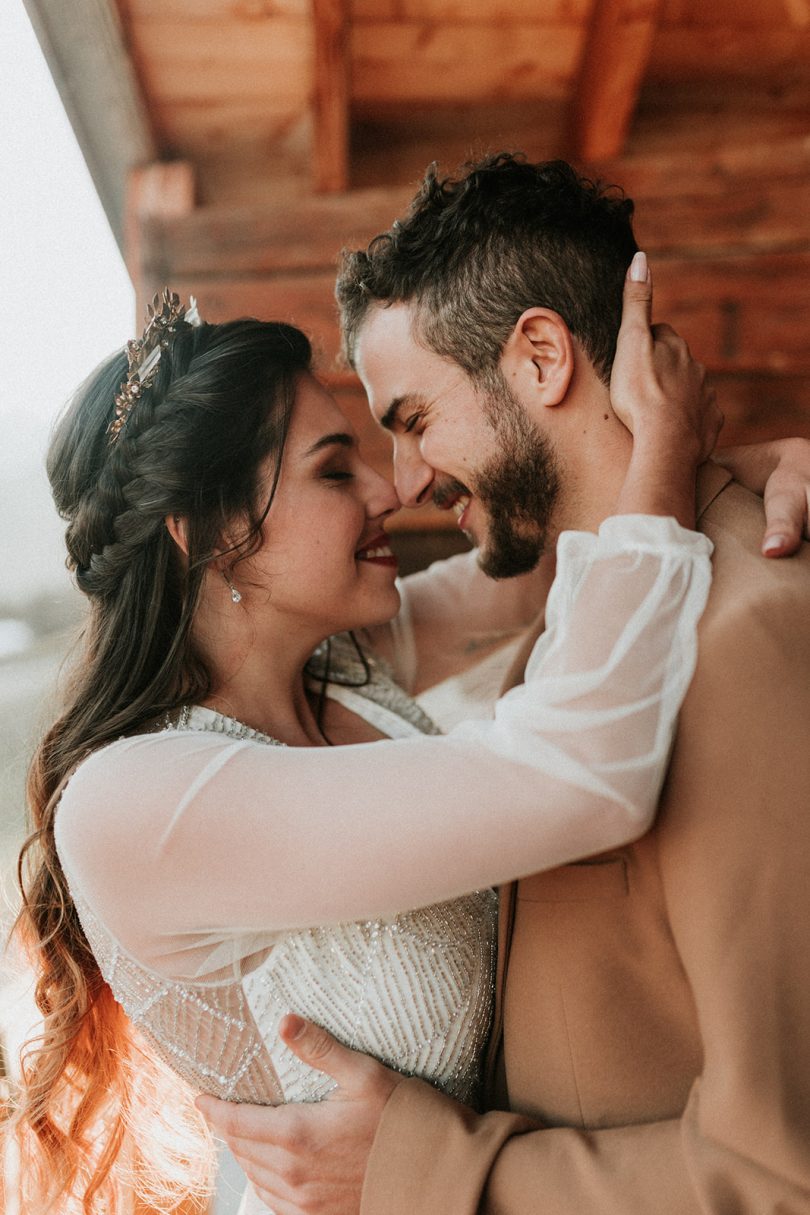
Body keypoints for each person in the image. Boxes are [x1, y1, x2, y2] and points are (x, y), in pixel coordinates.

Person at [11, 275, 731, 1215]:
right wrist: (669, 441)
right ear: (210, 533)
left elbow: (555, 561)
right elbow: (589, 771)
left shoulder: (341, 666)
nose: (391, 489)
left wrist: (754, 470)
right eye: (334, 468)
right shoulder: (135, 802)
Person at [199, 156, 810, 1215]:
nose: (407, 481)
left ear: (538, 356)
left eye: (415, 417)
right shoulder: (585, 626)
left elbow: (782, 1169)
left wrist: (423, 1172)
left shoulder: (739, 637)